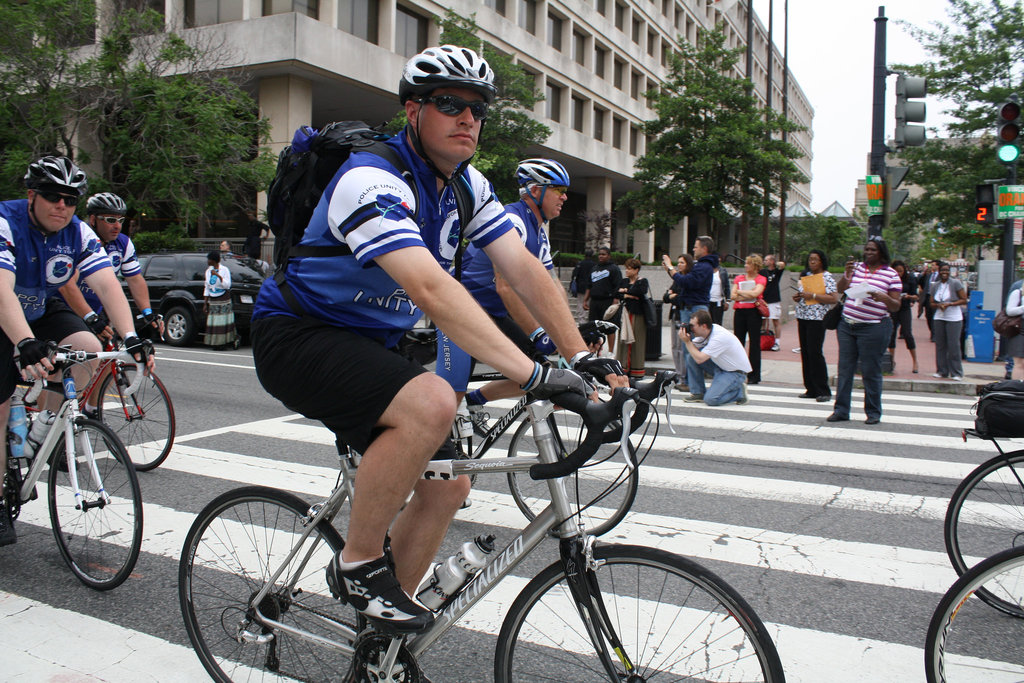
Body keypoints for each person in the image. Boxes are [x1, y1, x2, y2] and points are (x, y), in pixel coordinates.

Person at [249, 45, 624, 638]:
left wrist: (579, 357)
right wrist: (532, 373)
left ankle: (380, 648)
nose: (467, 117)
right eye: (449, 103)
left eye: (478, 108)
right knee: (431, 401)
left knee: (449, 484)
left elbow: (526, 271)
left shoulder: (467, 186)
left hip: (372, 344)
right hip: (300, 334)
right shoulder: (371, 178)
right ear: (412, 110)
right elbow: (428, 286)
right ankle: (356, 564)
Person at [0, 156, 154, 547]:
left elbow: (107, 284)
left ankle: (44, 425)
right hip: (5, 310)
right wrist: (24, 343)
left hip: (40, 305)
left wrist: (130, 337)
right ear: (32, 195)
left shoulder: (78, 232)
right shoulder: (6, 221)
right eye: (52, 197)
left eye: (70, 200)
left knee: (87, 347)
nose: (61, 206)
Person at [444, 158, 570, 409]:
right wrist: (538, 332)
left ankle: (470, 404)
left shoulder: (539, 232)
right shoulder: (514, 222)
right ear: (535, 191)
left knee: (540, 374)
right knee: (449, 395)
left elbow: (554, 286)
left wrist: (569, 334)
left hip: (493, 313)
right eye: (559, 190)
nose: (564, 197)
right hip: (460, 309)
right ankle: (453, 412)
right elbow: (506, 287)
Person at [57, 192, 164, 413]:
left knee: (110, 356)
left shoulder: (122, 244)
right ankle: (56, 413)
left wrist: (147, 311)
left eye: (120, 220)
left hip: (97, 309)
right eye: (110, 220)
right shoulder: (82, 240)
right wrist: (89, 317)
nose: (117, 226)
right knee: (66, 366)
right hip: (66, 309)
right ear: (93, 219)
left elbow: (135, 280)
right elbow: (68, 286)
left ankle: (92, 407)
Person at [829, 237, 902, 425]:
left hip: (874, 327)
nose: (869, 253)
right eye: (867, 249)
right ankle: (841, 410)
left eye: (873, 250)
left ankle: (873, 412)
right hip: (847, 324)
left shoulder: (891, 275)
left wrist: (883, 297)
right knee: (845, 369)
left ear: (882, 252)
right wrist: (846, 275)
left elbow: (895, 306)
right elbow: (839, 290)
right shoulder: (857, 269)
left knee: (870, 370)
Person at [660, 235, 717, 374]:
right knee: (687, 347)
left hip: (694, 309)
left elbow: (686, 282)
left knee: (691, 348)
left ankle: (694, 381)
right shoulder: (703, 266)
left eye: (696, 246)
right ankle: (689, 382)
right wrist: (670, 271)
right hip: (689, 308)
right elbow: (677, 287)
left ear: (704, 249)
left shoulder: (703, 266)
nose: (693, 249)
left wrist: (669, 266)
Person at [791, 250, 838, 401]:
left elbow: (833, 299)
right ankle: (810, 388)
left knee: (815, 352)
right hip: (803, 316)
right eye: (810, 259)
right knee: (805, 352)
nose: (812, 262)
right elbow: (803, 296)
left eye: (815, 260)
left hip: (817, 318)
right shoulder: (805, 276)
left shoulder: (827, 277)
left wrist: (813, 296)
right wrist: (798, 297)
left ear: (822, 261)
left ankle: (823, 390)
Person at [680, 309, 751, 405]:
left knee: (711, 400)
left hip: (735, 373)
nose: (691, 328)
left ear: (704, 326)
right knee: (691, 357)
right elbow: (694, 350)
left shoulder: (719, 337)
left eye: (692, 326)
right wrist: (686, 336)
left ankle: (739, 393)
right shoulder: (708, 331)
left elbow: (700, 359)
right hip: (721, 367)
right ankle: (698, 393)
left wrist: (687, 342)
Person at [731, 254, 766, 385]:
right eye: (746, 263)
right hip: (740, 312)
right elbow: (733, 295)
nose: (745, 265)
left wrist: (740, 292)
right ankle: (738, 371)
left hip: (754, 312)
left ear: (755, 266)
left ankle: (754, 375)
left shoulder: (761, 279)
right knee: (738, 342)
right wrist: (745, 294)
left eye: (748, 263)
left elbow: (756, 294)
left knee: (754, 343)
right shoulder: (739, 278)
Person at [929, 262, 967, 380]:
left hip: (954, 317)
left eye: (946, 270)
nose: (944, 273)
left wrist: (951, 304)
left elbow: (964, 299)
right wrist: (938, 305)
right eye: (942, 271)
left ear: (949, 272)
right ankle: (942, 371)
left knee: (953, 345)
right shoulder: (935, 285)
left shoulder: (955, 283)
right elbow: (931, 303)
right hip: (940, 317)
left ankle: (956, 372)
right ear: (939, 272)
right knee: (940, 345)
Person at [614, 258, 650, 380]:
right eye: (626, 268)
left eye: (629, 268)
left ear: (636, 270)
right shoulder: (624, 281)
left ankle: (636, 370)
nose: (627, 271)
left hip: (638, 315)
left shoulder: (642, 281)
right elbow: (615, 292)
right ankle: (622, 367)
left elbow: (640, 291)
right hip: (625, 314)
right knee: (623, 339)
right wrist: (629, 294)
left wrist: (625, 292)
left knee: (637, 341)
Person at [584, 246, 623, 352]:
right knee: (593, 327)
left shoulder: (614, 269)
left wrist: (615, 302)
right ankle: (595, 350)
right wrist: (585, 300)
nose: (601, 256)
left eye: (603, 254)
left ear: (609, 256)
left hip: (608, 301)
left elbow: (618, 286)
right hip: (595, 301)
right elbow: (589, 285)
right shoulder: (594, 268)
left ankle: (610, 351)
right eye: (599, 254)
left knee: (610, 328)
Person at [664, 253, 694, 389]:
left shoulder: (687, 279)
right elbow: (666, 297)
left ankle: (684, 377)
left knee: (682, 348)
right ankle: (678, 374)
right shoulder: (677, 279)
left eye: (682, 262)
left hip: (683, 314)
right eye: (678, 262)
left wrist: (673, 295)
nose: (679, 265)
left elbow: (680, 297)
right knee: (674, 347)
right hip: (675, 314)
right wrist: (671, 295)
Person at [887, 259, 919, 374]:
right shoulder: (890, 279)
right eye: (896, 271)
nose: (898, 274)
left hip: (904, 308)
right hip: (893, 309)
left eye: (900, 271)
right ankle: (891, 361)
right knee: (891, 333)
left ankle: (915, 361)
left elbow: (916, 296)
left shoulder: (910, 279)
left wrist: (909, 296)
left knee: (907, 333)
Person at [203, 250, 238, 350]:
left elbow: (227, 285)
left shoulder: (224, 270)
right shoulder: (208, 271)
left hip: (223, 298)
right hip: (213, 298)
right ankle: (215, 343)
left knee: (222, 321)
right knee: (215, 322)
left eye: (209, 259)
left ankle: (223, 343)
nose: (208, 261)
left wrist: (218, 275)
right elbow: (207, 287)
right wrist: (205, 303)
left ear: (213, 260)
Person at [759, 254, 786, 351]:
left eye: (766, 260)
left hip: (774, 300)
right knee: (763, 321)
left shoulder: (776, 272)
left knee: (775, 321)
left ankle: (777, 342)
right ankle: (762, 340)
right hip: (763, 300)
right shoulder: (762, 271)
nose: (765, 261)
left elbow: (782, 265)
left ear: (772, 262)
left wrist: (779, 263)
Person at [1003, 280, 1024, 379]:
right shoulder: (1018, 291)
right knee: (1019, 362)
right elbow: (1009, 310)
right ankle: (1018, 390)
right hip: (1020, 327)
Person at [569, 249, 595, 322]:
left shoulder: (580, 264)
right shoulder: (594, 265)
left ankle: (581, 320)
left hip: (580, 286)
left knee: (580, 303)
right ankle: (590, 319)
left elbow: (574, 275)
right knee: (590, 303)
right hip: (591, 287)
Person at [919, 259, 941, 341]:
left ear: (938, 266)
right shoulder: (929, 275)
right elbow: (922, 284)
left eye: (934, 265)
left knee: (934, 316)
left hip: (935, 299)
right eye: (932, 265)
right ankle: (932, 331)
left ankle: (934, 335)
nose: (932, 266)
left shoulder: (940, 276)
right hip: (927, 297)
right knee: (928, 316)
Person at [708, 260, 731, 326]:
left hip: (718, 300)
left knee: (717, 322)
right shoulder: (706, 271)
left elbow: (727, 286)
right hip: (707, 300)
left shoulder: (722, 271)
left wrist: (728, 301)